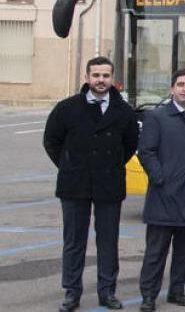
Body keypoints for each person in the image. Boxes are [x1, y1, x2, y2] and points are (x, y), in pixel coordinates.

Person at [44, 56, 139, 312]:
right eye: (96, 75)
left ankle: (107, 291)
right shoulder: (67, 108)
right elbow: (51, 141)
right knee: (74, 241)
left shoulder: (124, 112)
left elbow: (130, 144)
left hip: (109, 184)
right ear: (87, 78)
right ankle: (72, 292)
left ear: (112, 79)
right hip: (75, 184)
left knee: (108, 241)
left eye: (105, 76)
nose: (100, 80)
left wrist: (111, 166)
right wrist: (69, 165)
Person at [137, 68, 185, 312]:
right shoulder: (157, 117)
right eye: (180, 84)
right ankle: (148, 295)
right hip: (164, 197)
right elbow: (146, 153)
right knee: (155, 253)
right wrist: (160, 178)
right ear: (172, 89)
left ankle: (177, 291)